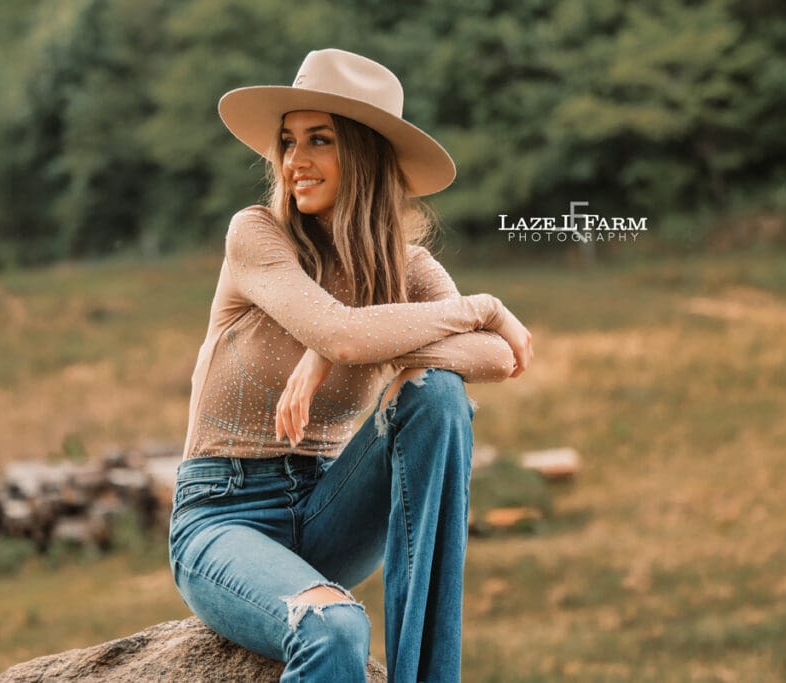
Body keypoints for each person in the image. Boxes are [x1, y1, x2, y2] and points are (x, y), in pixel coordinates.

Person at [168, 48, 533, 682]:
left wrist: (356, 345)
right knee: (334, 627)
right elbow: (340, 333)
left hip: (329, 507)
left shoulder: (408, 269)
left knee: (438, 394)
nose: (294, 161)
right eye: (288, 141)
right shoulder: (258, 235)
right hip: (224, 513)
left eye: (320, 140)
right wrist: (483, 306)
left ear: (365, 156)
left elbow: (496, 356)